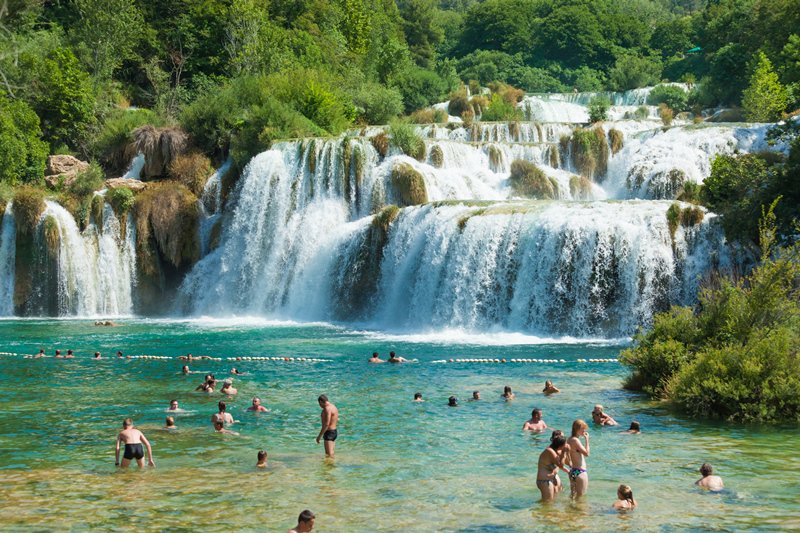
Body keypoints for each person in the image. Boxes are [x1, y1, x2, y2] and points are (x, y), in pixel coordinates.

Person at [537, 433, 568, 502]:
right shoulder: (550, 451)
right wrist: (564, 453)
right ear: (560, 445)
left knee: (550, 501)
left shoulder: (555, 450)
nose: (566, 445)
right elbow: (560, 465)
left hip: (547, 480)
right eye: (565, 444)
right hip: (544, 481)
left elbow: (568, 462)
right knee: (547, 503)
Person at [567, 420, 590, 498]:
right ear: (577, 429)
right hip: (580, 471)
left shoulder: (569, 439)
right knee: (581, 498)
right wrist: (587, 439)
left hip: (573, 471)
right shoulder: (575, 440)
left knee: (573, 496)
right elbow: (587, 453)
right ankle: (579, 510)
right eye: (583, 429)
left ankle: (571, 510)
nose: (584, 431)